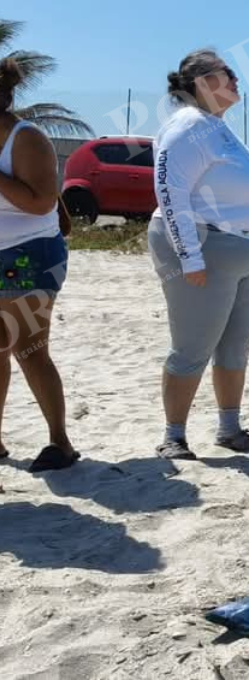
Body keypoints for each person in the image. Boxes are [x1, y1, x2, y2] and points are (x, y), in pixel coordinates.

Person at [147, 49, 249, 460]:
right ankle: (174, 435)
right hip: (205, 249)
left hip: (242, 253)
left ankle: (230, 428)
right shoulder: (188, 127)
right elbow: (170, 192)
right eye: (228, 73)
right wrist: (190, 258)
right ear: (203, 82)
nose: (236, 80)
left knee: (235, 345)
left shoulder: (216, 127)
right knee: (192, 346)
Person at [0, 58, 78, 471]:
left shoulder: (26, 139)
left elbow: (41, 203)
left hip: (29, 255)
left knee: (29, 350)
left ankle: (60, 443)